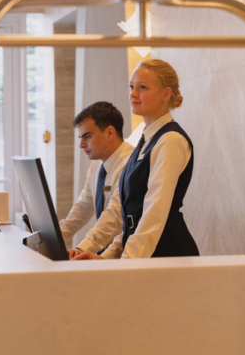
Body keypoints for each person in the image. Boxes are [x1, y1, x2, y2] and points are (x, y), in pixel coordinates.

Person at [73, 59, 199, 260]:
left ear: (166, 93)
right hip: (147, 258)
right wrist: (106, 258)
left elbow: (153, 215)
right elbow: (132, 221)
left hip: (168, 257)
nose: (133, 94)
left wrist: (126, 264)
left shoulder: (170, 140)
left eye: (142, 87)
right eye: (131, 87)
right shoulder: (145, 140)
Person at [59, 101, 134, 259]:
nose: (81, 145)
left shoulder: (131, 164)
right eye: (80, 138)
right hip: (108, 255)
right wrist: (55, 238)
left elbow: (113, 216)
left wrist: (81, 249)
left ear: (110, 133)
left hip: (129, 255)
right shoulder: (97, 163)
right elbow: (83, 206)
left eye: (87, 137)